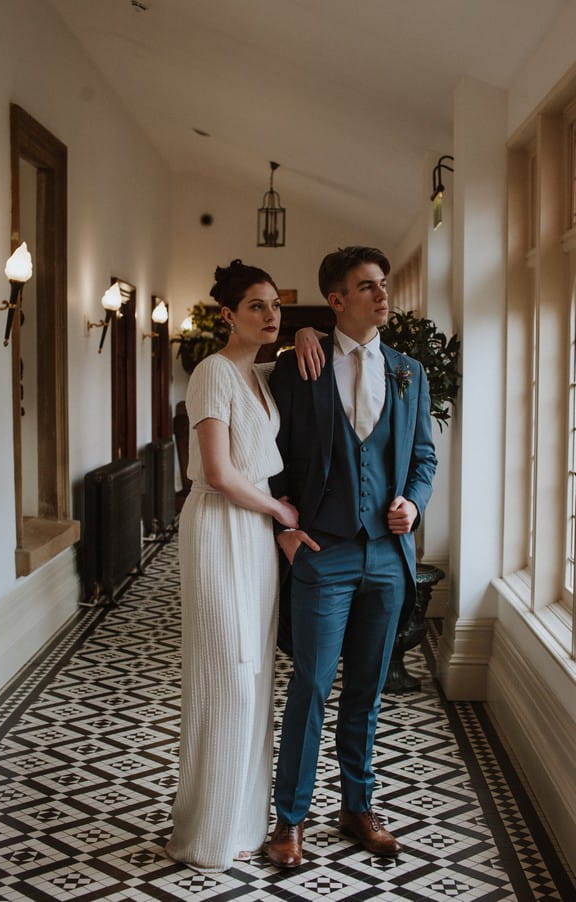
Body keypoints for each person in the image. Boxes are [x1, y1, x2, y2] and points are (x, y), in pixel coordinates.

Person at [265, 246, 438, 868]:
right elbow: (265, 453)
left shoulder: (410, 373)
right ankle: (290, 821)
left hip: (388, 560)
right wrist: (283, 527)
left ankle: (358, 807)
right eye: (368, 286)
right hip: (324, 553)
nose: (383, 294)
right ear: (337, 300)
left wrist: (413, 506)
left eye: (384, 285)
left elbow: (423, 458)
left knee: (366, 689)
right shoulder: (296, 368)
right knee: (310, 686)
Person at [165, 259, 319, 872]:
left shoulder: (261, 374)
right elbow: (223, 473)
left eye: (276, 306)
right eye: (256, 306)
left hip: (252, 531)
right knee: (226, 667)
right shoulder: (211, 372)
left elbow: (319, 350)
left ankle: (243, 818)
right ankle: (208, 827)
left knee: (255, 674)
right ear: (227, 314)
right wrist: (282, 511)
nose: (270, 316)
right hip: (218, 524)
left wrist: (309, 333)